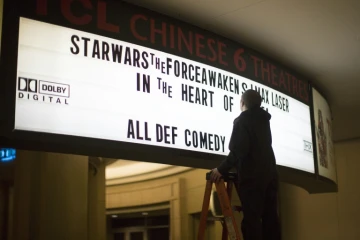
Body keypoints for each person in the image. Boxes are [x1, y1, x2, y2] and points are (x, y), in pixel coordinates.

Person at [210, 89, 281, 240]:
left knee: (252, 221)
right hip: (270, 176)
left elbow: (238, 151)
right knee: (271, 220)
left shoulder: (242, 121)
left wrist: (221, 169)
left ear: (242, 103)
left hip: (252, 179)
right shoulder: (264, 120)